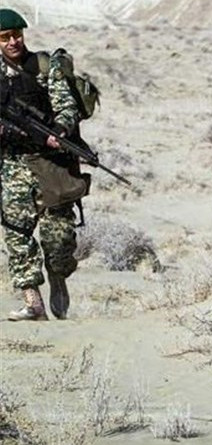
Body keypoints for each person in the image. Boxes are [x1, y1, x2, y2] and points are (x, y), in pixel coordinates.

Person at [0, 9, 80, 321]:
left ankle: (58, 280)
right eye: (5, 37)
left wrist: (60, 130)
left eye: (17, 35)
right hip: (12, 165)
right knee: (17, 233)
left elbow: (66, 105)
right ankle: (33, 302)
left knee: (58, 235)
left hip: (50, 162)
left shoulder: (44, 67)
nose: (13, 42)